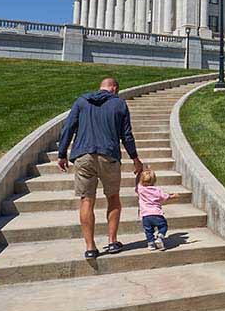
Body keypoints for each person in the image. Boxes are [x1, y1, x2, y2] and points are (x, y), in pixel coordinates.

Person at [57, 77, 142, 259]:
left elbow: (68, 127)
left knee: (86, 200)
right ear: (115, 88)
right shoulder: (119, 104)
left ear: (101, 87)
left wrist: (62, 154)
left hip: (83, 156)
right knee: (113, 198)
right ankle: (112, 241)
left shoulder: (81, 101)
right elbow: (126, 135)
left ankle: (90, 247)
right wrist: (135, 158)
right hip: (109, 156)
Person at [135, 167, 181, 250]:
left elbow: (137, 183)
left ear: (141, 181)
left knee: (149, 231)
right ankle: (159, 237)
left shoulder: (140, 189)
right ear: (154, 181)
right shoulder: (157, 190)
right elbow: (165, 197)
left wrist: (139, 173)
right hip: (157, 214)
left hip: (145, 216)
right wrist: (173, 196)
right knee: (163, 226)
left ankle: (151, 244)